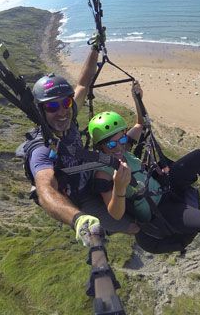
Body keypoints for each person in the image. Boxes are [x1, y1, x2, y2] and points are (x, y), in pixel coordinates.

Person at [87, 81, 200, 284]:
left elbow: (140, 125)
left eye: (121, 139)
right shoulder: (103, 173)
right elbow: (115, 214)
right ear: (100, 146)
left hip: (161, 186)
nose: (119, 146)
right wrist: (120, 189)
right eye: (112, 143)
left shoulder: (122, 147)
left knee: (199, 157)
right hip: (158, 211)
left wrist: (137, 99)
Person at [26, 40, 139, 247]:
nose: (61, 111)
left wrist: (95, 48)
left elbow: (83, 84)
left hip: (93, 173)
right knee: (131, 226)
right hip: (81, 198)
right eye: (52, 106)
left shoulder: (69, 118)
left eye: (66, 103)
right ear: (41, 111)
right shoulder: (41, 149)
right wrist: (78, 219)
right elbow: (45, 189)